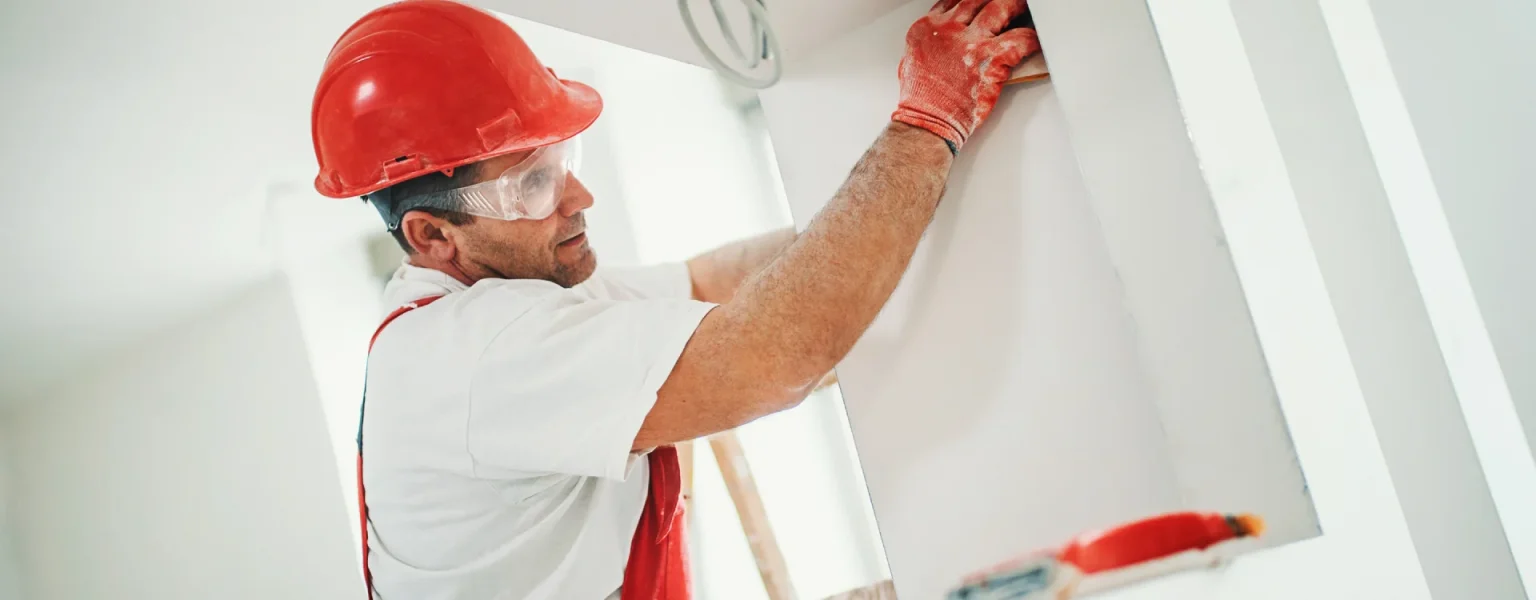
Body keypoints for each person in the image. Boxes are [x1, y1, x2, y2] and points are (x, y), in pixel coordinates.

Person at [308, 0, 1039, 598]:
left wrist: (907, 194)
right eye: (531, 185)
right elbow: (770, 356)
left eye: (563, 163)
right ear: (433, 234)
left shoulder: (520, 300)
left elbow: (715, 280)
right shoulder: (474, 355)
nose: (578, 197)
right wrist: (925, 125)